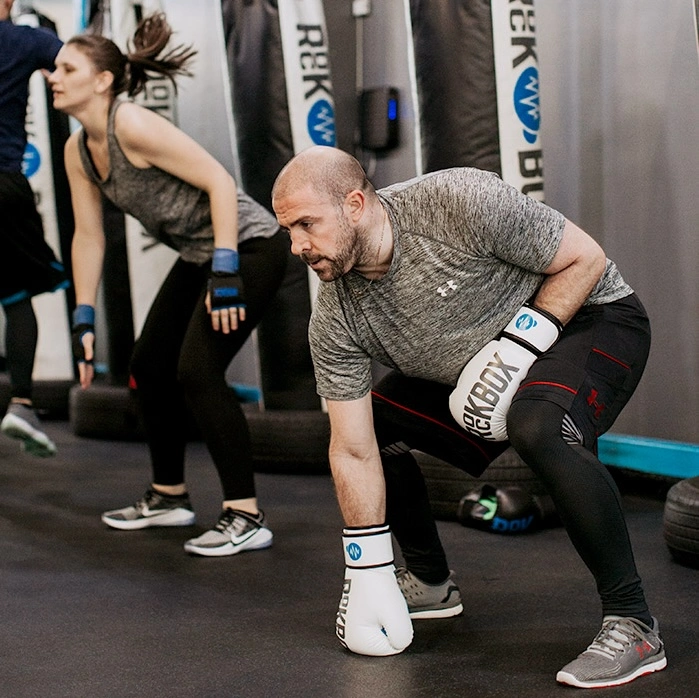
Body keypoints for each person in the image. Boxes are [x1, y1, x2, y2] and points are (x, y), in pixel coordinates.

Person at [271, 145, 666, 689]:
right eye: (288, 230)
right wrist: (366, 567)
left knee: (537, 424)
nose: (297, 246)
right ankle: (430, 582)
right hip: (473, 375)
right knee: (377, 427)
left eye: (306, 224)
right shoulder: (335, 318)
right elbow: (352, 449)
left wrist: (520, 346)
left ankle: (634, 624)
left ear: (356, 203)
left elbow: (586, 259)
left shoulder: (457, 202)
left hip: (589, 318)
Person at [50, 13, 287, 556]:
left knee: (198, 371)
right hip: (203, 254)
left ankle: (245, 515)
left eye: (67, 67)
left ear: (102, 80)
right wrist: (83, 318)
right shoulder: (77, 152)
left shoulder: (130, 123)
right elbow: (88, 238)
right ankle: (168, 495)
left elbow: (219, 182)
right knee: (148, 365)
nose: (53, 76)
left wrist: (226, 272)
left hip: (249, 246)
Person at [0, 0, 69, 457]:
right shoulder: (24, 39)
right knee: (17, 295)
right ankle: (22, 402)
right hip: (3, 184)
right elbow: (83, 64)